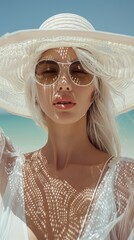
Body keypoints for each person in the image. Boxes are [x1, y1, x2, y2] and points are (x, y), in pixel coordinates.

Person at [0, 13, 134, 240]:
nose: (64, 83)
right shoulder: (8, 169)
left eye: (79, 71)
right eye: (49, 71)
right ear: (34, 90)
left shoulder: (126, 181)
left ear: (96, 90)